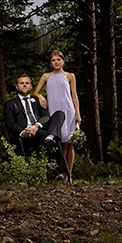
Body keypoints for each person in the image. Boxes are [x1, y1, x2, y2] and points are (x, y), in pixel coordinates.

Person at [3, 74, 68, 180]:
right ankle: (58, 174)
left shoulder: (38, 100)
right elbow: (10, 125)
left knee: (59, 114)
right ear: (16, 86)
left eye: (27, 83)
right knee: (56, 138)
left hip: (40, 130)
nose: (24, 85)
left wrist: (36, 126)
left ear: (31, 86)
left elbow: (46, 116)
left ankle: (50, 138)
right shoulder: (10, 104)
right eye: (22, 83)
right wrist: (24, 132)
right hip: (25, 135)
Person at [33, 51, 81, 184]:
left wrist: (78, 113)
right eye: (53, 60)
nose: (56, 62)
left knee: (69, 144)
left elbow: (74, 95)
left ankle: (69, 175)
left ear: (63, 61)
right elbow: (35, 92)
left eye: (58, 59)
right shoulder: (46, 76)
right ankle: (61, 173)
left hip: (69, 111)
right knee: (60, 144)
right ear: (50, 63)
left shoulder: (70, 76)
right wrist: (41, 96)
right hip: (55, 113)